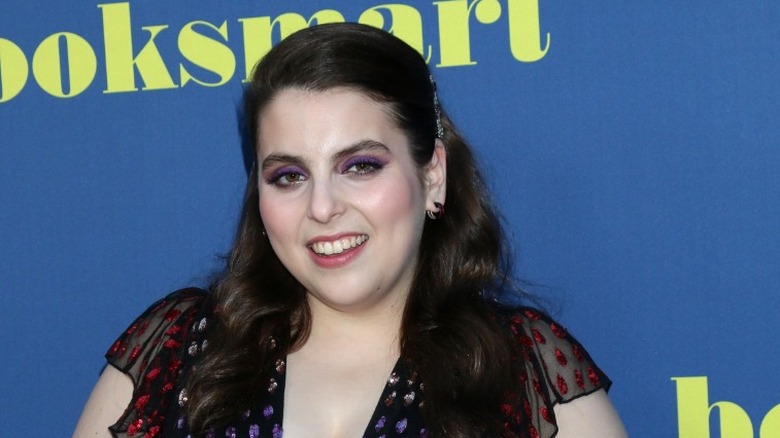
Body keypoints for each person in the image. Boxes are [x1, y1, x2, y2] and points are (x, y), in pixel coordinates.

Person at [74, 22, 626, 438]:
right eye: (288, 176)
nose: (322, 206)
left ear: (432, 174)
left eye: (359, 166)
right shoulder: (178, 350)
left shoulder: (522, 369)